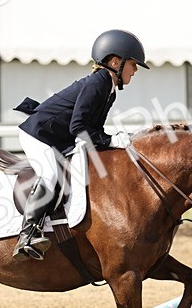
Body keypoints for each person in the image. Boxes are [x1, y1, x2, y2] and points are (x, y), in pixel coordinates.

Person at [11, 29, 149, 260]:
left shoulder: (109, 90)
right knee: (50, 175)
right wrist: (111, 140)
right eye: (133, 65)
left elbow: (93, 130)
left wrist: (115, 139)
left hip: (58, 139)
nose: (135, 71)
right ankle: (27, 236)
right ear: (116, 61)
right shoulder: (98, 83)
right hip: (39, 135)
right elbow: (79, 127)